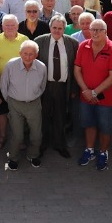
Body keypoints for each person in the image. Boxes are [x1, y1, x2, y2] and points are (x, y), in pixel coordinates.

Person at [74, 19, 112, 171]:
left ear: (105, 32)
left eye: (98, 30)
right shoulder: (83, 45)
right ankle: (89, 150)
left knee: (105, 127)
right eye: (92, 29)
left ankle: (103, 152)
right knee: (89, 124)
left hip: (106, 98)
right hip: (85, 96)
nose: (94, 32)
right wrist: (85, 91)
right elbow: (77, 70)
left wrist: (94, 92)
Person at [36, 16, 79, 159]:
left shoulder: (72, 42)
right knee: (43, 116)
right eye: (54, 27)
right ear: (50, 27)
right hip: (44, 86)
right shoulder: (39, 41)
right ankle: (41, 145)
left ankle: (59, 144)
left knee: (60, 116)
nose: (57, 30)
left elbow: (75, 67)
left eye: (60, 28)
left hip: (62, 86)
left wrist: (73, 88)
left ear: (64, 28)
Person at [1, 40, 47, 170]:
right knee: (17, 134)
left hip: (34, 104)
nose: (28, 57)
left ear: (36, 55)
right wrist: (9, 101)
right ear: (20, 53)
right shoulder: (11, 65)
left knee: (36, 134)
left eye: (31, 54)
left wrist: (33, 97)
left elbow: (42, 86)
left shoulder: (42, 67)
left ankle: (33, 155)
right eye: (25, 53)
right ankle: (13, 158)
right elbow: (4, 85)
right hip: (15, 104)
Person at [0, 14, 29, 150]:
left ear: (18, 26)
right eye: (7, 25)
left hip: (20, 84)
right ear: (2, 26)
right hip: (1, 83)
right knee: (2, 112)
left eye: (13, 25)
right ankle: (2, 136)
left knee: (19, 113)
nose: (10, 27)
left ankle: (19, 138)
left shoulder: (24, 40)